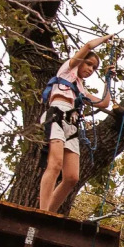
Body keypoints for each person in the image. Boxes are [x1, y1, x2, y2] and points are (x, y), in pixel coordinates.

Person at [38, 34, 116, 212]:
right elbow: (88, 45)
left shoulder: (81, 88)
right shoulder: (67, 70)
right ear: (80, 62)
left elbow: (104, 103)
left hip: (71, 124)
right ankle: (42, 212)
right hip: (56, 115)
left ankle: (49, 212)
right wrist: (106, 39)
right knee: (55, 164)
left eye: (94, 68)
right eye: (88, 64)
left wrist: (107, 81)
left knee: (72, 177)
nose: (90, 69)